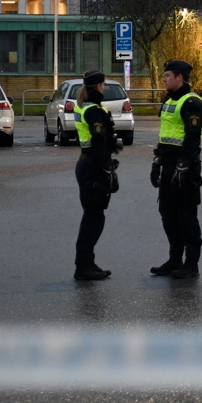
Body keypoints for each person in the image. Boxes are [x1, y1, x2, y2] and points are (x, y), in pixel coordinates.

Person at [150, 59, 202, 278]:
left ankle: (191, 264)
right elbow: (167, 135)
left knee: (186, 216)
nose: (164, 79)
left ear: (179, 77)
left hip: (185, 167)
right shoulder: (170, 100)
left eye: (167, 76)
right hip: (168, 164)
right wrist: (157, 161)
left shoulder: (192, 102)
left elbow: (192, 138)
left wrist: (183, 165)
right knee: (168, 214)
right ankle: (174, 260)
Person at [73, 70, 121, 281]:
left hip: (86, 164)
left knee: (93, 216)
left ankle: (87, 263)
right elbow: (99, 141)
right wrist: (107, 167)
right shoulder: (94, 111)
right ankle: (84, 266)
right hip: (93, 167)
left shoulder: (84, 105)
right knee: (93, 219)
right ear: (100, 86)